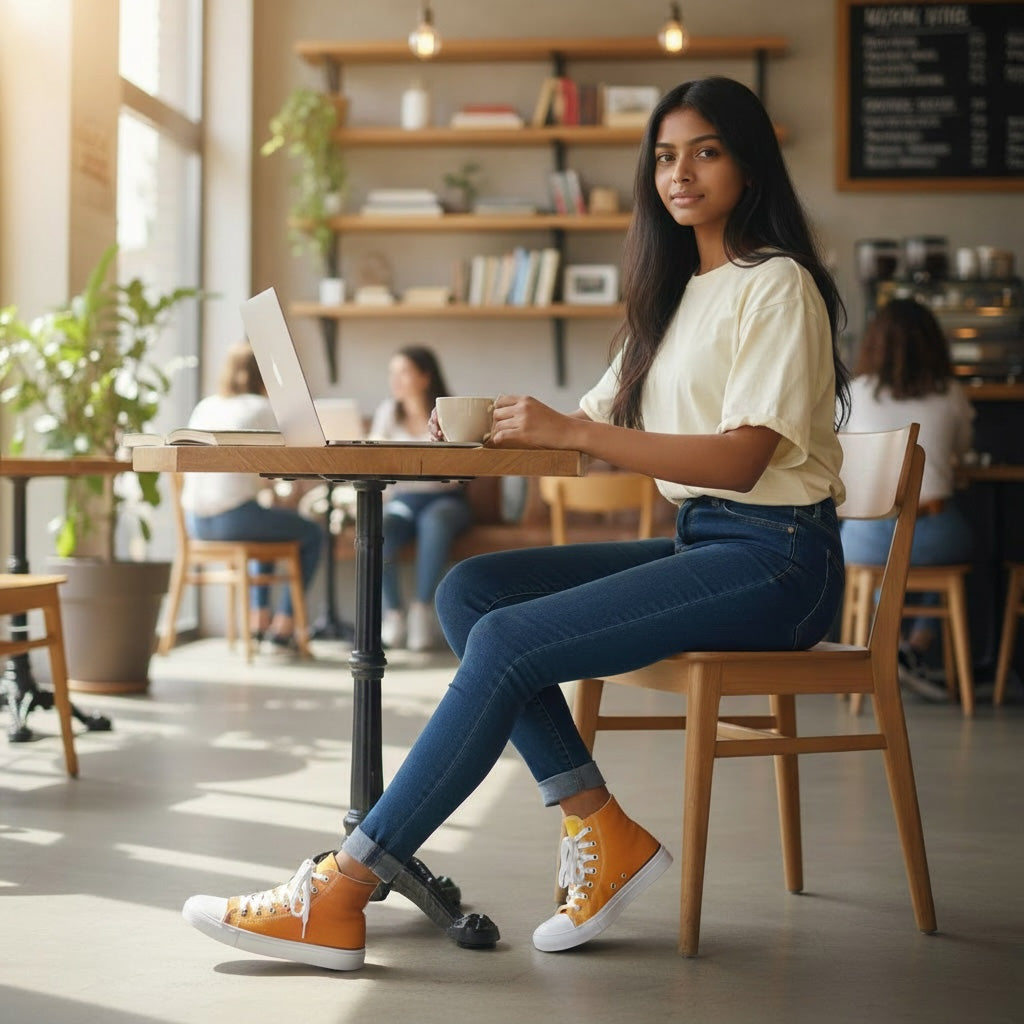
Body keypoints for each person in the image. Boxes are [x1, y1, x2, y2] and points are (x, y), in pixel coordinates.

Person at [182, 75, 850, 971]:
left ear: (749, 163)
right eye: (664, 156)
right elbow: (576, 431)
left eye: (706, 152)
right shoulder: (668, 299)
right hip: (708, 543)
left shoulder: (778, 285)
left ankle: (341, 890)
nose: (680, 174)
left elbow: (741, 460)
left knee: (506, 639)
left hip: (781, 562)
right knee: (472, 590)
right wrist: (481, 431)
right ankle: (599, 826)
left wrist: (576, 431)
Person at [841, 298, 974, 700]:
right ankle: (914, 645)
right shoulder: (951, 393)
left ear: (874, 343)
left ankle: (890, 647)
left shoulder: (853, 393)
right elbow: (962, 451)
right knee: (941, 552)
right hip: (935, 534)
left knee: (888, 556)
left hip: (865, 537)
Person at [180, 341, 324, 656]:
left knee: (266, 522)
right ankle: (283, 628)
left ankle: (259, 621)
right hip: (235, 520)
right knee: (313, 533)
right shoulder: (260, 408)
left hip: (196, 523)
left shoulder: (205, 406)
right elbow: (284, 467)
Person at [370, 346, 473, 651]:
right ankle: (394, 613)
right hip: (404, 501)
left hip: (447, 500)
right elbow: (373, 460)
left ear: (425, 377)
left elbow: (461, 471)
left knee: (434, 521)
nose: (395, 380)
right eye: (392, 372)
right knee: (379, 526)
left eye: (404, 372)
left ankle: (421, 610)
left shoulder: (448, 411)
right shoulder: (387, 413)